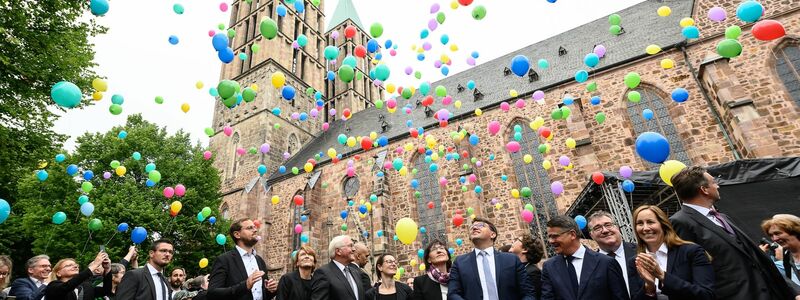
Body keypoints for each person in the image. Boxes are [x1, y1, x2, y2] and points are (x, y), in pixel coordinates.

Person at [669, 166, 799, 300]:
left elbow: (756, 258)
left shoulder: (722, 217)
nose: (717, 186)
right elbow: (687, 275)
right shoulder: (680, 222)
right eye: (713, 182)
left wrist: (794, 291)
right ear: (704, 189)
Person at [631, 205, 714, 300]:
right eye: (640, 223)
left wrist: (663, 276)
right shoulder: (635, 261)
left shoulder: (691, 251)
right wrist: (649, 287)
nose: (645, 228)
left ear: (663, 224)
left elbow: (706, 295)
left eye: (650, 222)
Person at [541, 215, 628, 300]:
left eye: (555, 236)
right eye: (549, 237)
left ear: (572, 234)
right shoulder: (549, 267)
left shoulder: (606, 263)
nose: (550, 241)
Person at [448, 217, 535, 300]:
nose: (474, 228)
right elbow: (453, 294)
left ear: (492, 234)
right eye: (472, 227)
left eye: (481, 225)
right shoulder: (460, 262)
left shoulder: (511, 260)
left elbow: (528, 293)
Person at [208, 218, 277, 300]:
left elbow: (263, 295)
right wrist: (245, 285)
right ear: (237, 234)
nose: (255, 230)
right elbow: (212, 293)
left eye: (254, 227)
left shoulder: (259, 260)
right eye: (250, 228)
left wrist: (271, 290)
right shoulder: (224, 260)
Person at [588, 210, 640, 297]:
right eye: (597, 228)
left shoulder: (641, 250)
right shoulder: (589, 264)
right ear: (591, 235)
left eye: (608, 225)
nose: (604, 230)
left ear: (618, 228)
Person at [310, 235, 367, 300]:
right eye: (350, 246)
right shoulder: (323, 273)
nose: (354, 249)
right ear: (338, 251)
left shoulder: (356, 273)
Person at [44, 251, 112, 300]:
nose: (75, 267)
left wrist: (107, 269)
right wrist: (95, 265)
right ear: (58, 273)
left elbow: (106, 290)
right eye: (69, 265)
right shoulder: (53, 286)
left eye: (76, 265)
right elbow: (68, 286)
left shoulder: (86, 286)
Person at [761, 214, 800, 286]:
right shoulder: (787, 257)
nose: (774, 239)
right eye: (771, 235)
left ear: (794, 231)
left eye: (777, 233)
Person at [510, 233, 544, 300]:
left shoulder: (533, 272)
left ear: (525, 249)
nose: (513, 241)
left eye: (517, 240)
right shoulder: (515, 267)